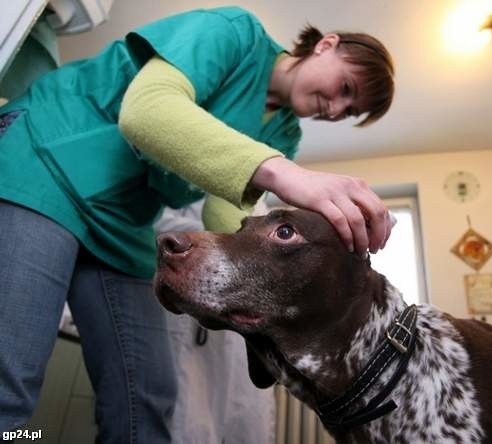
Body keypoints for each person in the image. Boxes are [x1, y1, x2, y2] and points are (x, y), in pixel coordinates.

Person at [0, 5, 395, 442]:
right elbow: (147, 112)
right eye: (345, 88)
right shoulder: (233, 33)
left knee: (148, 398)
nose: (336, 109)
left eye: (349, 110)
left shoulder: (284, 133)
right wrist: (286, 175)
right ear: (327, 44)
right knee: (11, 380)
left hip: (122, 219)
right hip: (47, 157)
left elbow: (228, 217)